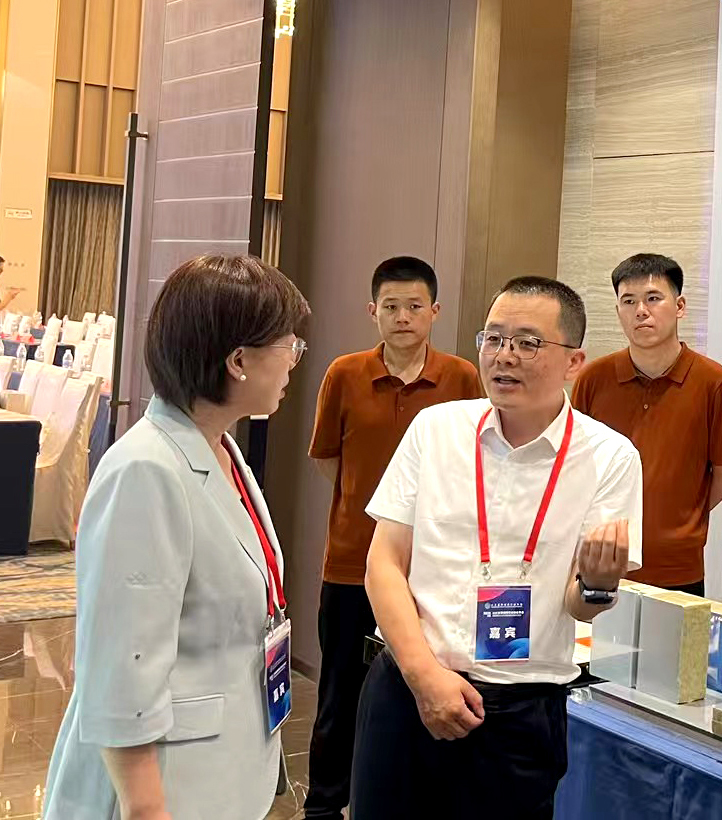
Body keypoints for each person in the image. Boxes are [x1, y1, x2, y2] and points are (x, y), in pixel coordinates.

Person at [352, 275, 643, 818]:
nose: (504, 356)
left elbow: (582, 606)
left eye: (528, 343)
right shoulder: (435, 429)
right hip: (408, 687)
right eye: (493, 338)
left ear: (573, 362)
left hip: (519, 711)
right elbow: (383, 563)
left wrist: (599, 585)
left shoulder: (610, 458)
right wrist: (424, 677)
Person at [43, 254, 310, 820]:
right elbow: (123, 663)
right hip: (167, 784)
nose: (293, 360)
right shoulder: (146, 469)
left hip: (221, 764)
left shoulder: (220, 447)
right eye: (288, 345)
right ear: (239, 361)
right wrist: (146, 807)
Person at [303, 256, 482, 820]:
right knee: (339, 696)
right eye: (391, 307)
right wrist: (380, 513)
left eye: (414, 306)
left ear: (435, 311)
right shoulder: (344, 374)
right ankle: (324, 808)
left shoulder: (462, 378)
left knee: (416, 690)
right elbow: (329, 460)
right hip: (351, 564)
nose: (403, 317)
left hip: (433, 570)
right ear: (372, 311)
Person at [572, 253, 722, 596]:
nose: (641, 311)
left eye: (653, 298)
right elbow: (573, 463)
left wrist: (684, 519)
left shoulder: (713, 382)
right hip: (602, 562)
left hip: (678, 568)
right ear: (618, 310)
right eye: (629, 301)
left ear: (679, 306)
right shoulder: (593, 379)